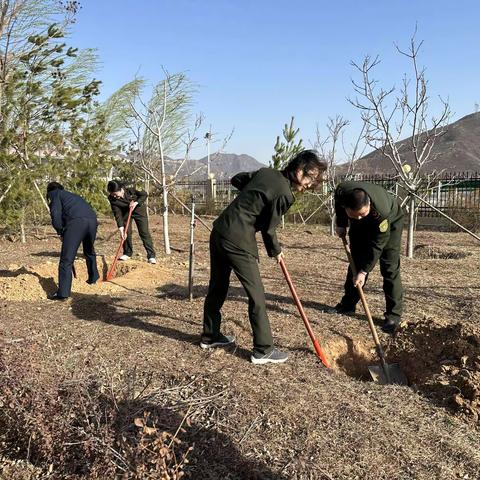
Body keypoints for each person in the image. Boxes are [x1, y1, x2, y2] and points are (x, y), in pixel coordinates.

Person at [200, 150, 327, 364]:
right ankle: (263, 349)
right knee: (256, 295)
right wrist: (276, 250)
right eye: (310, 177)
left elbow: (237, 179)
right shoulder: (285, 194)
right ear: (298, 171)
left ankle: (210, 335)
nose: (310, 184)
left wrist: (252, 197)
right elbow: (269, 229)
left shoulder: (267, 173)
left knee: (218, 285)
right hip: (238, 239)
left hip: (220, 230)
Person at [329, 181, 404, 334]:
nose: (359, 218)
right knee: (355, 261)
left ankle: (393, 316)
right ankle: (348, 304)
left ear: (368, 204)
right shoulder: (342, 191)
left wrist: (364, 271)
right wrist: (342, 223)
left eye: (362, 214)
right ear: (347, 208)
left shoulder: (381, 211)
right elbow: (339, 203)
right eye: (354, 215)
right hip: (359, 223)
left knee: (389, 268)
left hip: (391, 223)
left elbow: (378, 245)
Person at [46, 182, 99, 300]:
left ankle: (63, 293)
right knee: (89, 251)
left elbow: (56, 213)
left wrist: (60, 230)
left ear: (50, 191)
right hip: (92, 220)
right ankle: (93, 279)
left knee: (66, 259)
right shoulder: (71, 196)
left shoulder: (55, 194)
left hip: (77, 222)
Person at [107, 180, 156, 264]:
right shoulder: (112, 198)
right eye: (112, 194)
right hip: (125, 212)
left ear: (121, 189)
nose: (114, 196)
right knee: (126, 233)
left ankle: (151, 256)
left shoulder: (131, 188)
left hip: (139, 211)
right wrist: (121, 229)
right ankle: (127, 253)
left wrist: (136, 202)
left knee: (144, 232)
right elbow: (117, 213)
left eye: (115, 193)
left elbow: (144, 195)